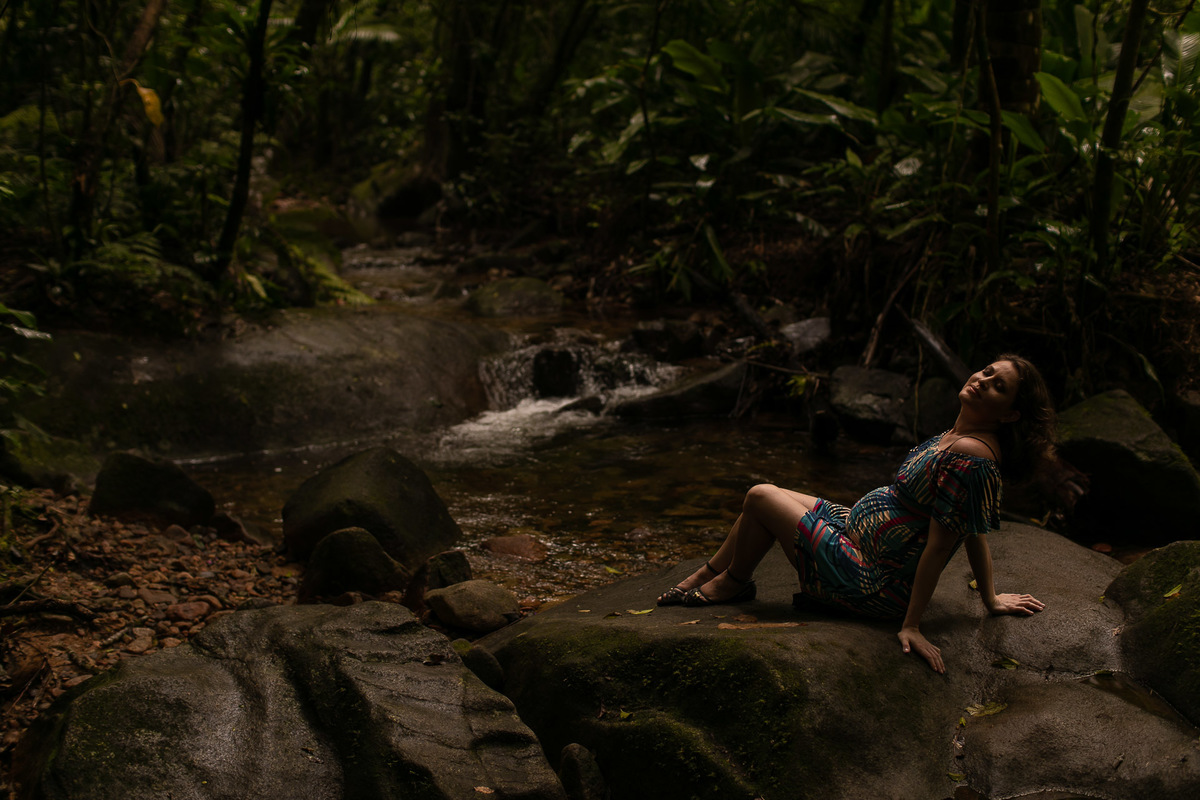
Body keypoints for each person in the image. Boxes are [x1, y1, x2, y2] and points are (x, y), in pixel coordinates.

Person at [657, 355, 1056, 674]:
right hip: (854, 534)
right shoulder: (955, 436)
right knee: (770, 495)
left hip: (872, 580)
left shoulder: (973, 457)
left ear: (1010, 415)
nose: (984, 380)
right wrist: (989, 597)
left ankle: (734, 581)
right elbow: (975, 530)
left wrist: (912, 624)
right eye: (987, 371)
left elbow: (941, 545)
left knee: (761, 495)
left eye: (998, 385)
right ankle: (711, 573)